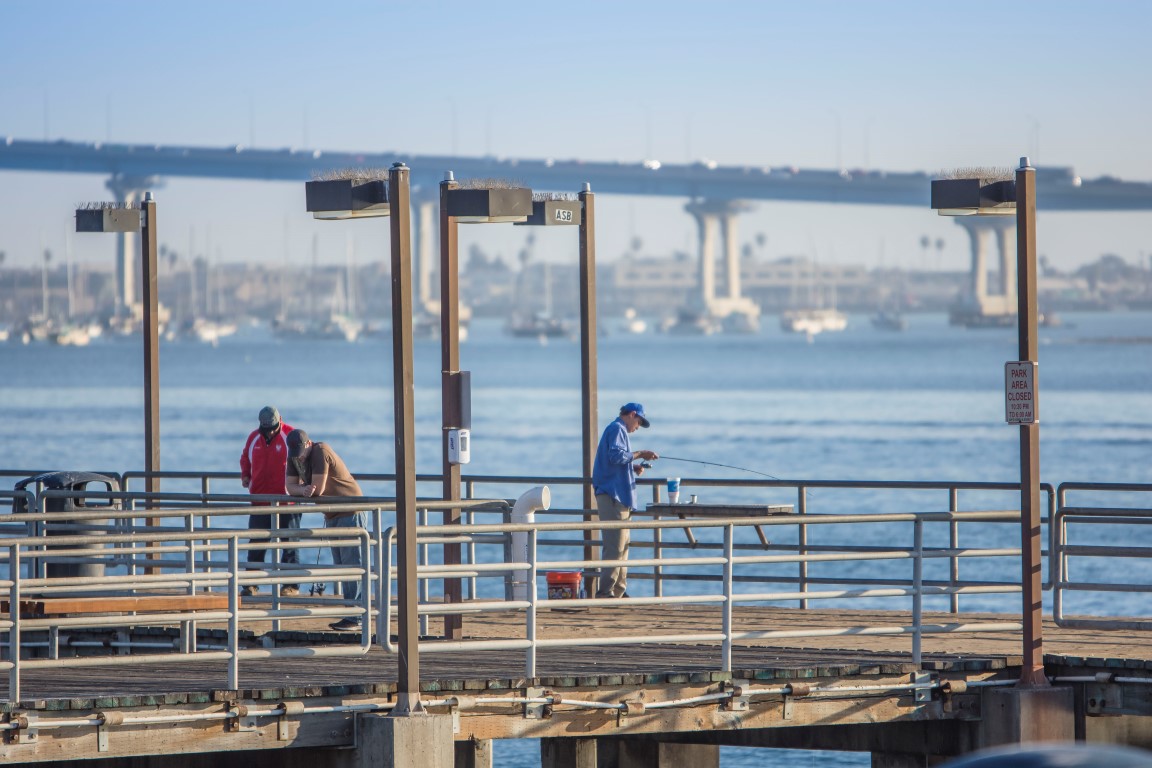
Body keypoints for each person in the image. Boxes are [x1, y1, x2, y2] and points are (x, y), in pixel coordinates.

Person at [284, 429, 367, 631]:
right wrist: (303, 490)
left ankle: (357, 617)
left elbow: (318, 489)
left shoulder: (320, 450)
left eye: (301, 451)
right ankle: (351, 615)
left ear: (308, 443)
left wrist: (304, 490)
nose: (299, 456)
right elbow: (289, 487)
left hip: (350, 511)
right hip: (331, 514)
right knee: (341, 566)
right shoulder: (293, 456)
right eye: (295, 452)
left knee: (353, 566)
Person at [591, 403, 659, 599]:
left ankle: (618, 590)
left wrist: (633, 467)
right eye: (638, 422)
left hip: (620, 497)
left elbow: (617, 461)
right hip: (613, 496)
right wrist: (641, 453)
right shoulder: (617, 429)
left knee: (623, 546)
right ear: (632, 415)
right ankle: (605, 591)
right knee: (615, 546)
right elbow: (616, 456)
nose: (637, 427)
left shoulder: (618, 431)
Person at [239, 406, 299, 597]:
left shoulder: (291, 435)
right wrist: (246, 476)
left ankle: (291, 585)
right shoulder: (254, 437)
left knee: (289, 542)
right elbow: (245, 458)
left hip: (287, 500)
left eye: (273, 428)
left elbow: (306, 458)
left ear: (279, 421)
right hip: (260, 500)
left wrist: (303, 484)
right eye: (266, 429)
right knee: (256, 542)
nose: (270, 432)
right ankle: (251, 584)